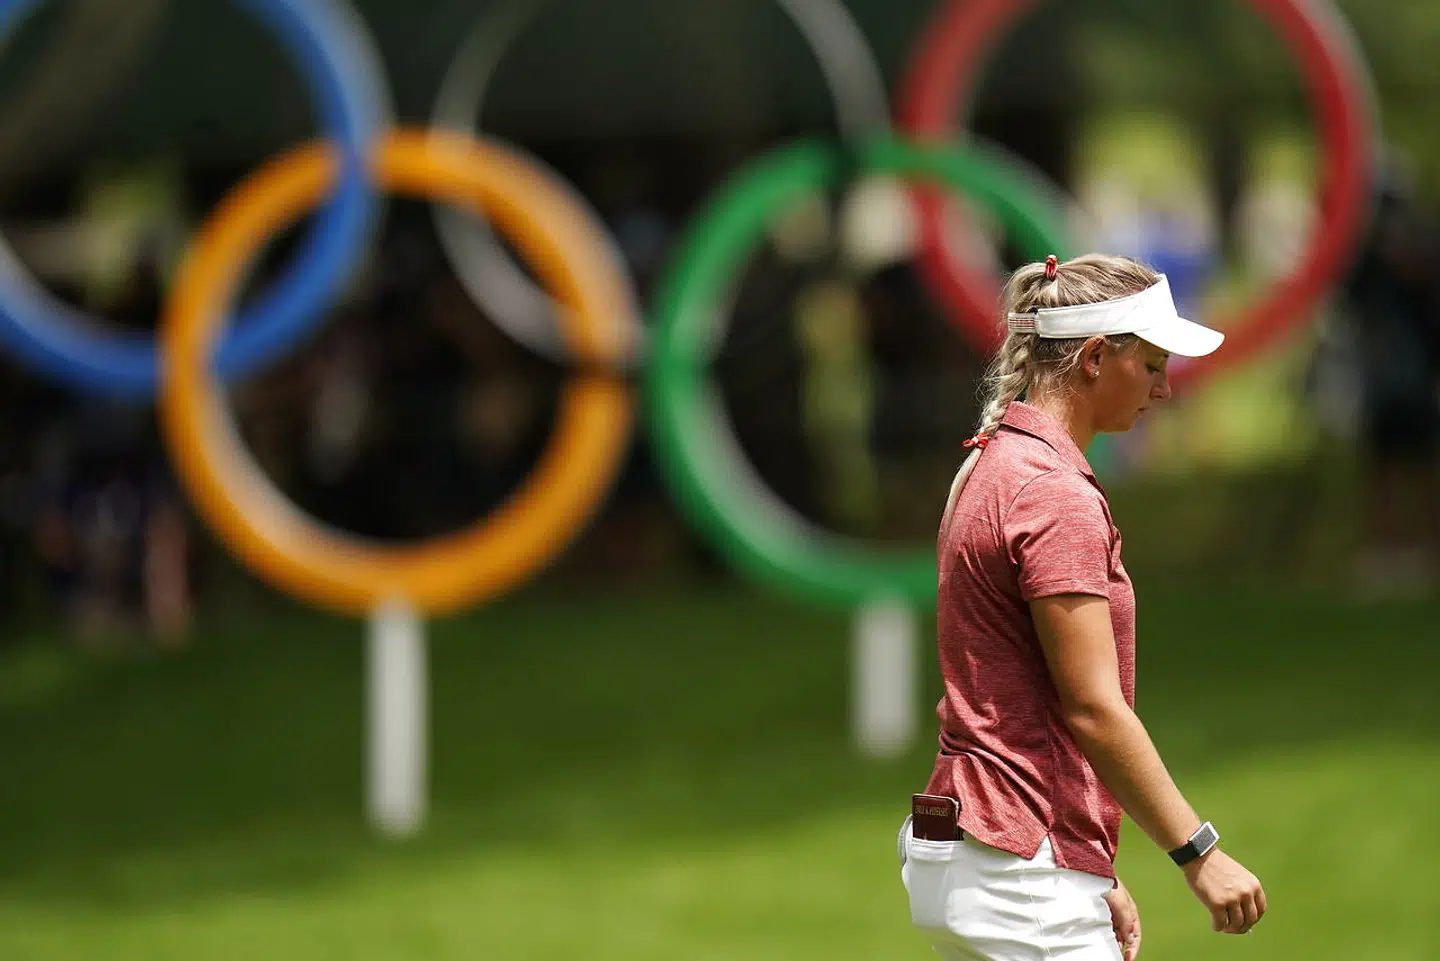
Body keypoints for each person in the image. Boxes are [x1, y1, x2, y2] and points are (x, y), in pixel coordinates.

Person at [897, 254, 1267, 960]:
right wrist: (1199, 852)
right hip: (1017, 873)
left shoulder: (991, 460)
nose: (1163, 388)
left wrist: (1084, 860)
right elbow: (1092, 706)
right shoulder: (1053, 493)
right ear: (1096, 356)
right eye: (1152, 364)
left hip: (975, 852)